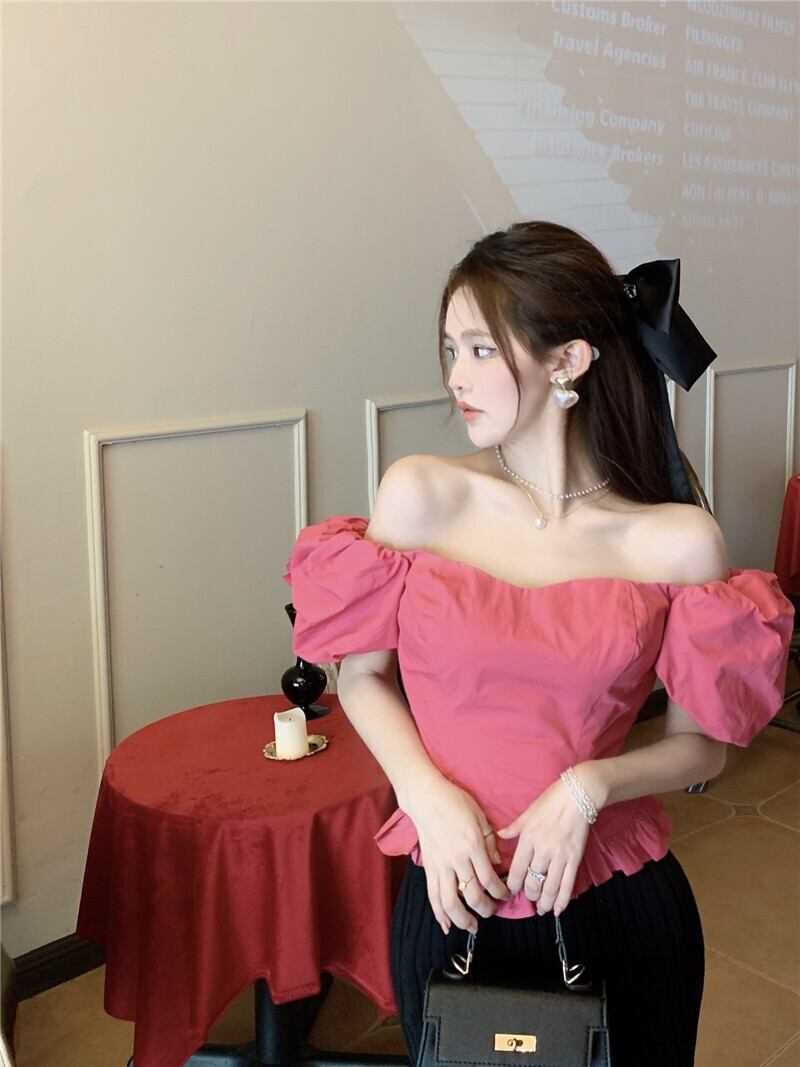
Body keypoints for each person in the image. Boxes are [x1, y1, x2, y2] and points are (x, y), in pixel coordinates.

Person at [282, 221, 794, 1066]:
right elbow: (363, 676)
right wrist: (426, 794)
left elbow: (703, 747)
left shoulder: (674, 540)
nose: (456, 376)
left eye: (482, 349)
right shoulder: (421, 495)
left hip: (616, 903)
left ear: (570, 360)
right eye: (450, 349)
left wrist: (591, 786)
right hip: (450, 890)